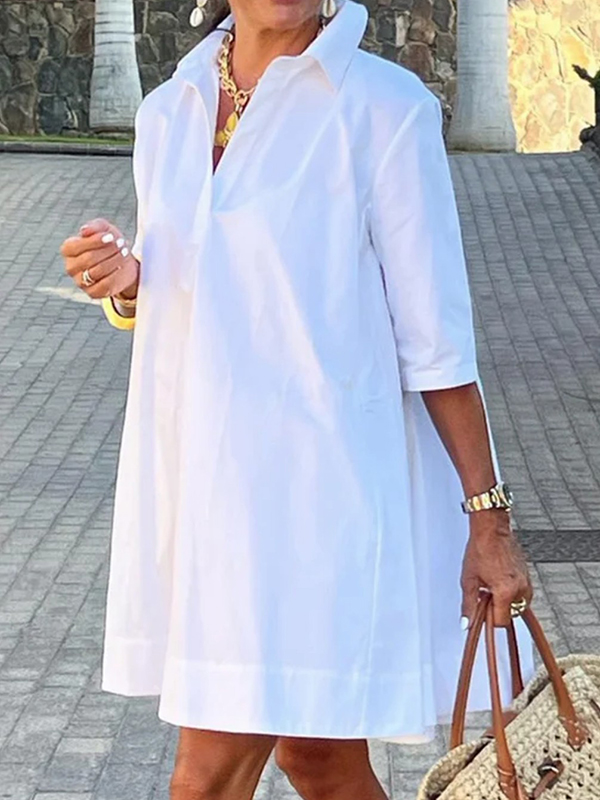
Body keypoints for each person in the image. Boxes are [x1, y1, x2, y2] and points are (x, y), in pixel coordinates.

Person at [60, 1, 533, 798]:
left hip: (323, 508)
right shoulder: (169, 110)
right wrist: (129, 285)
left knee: (205, 776)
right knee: (319, 761)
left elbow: (437, 341)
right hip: (204, 500)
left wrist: (489, 522)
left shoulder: (385, 108)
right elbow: (203, 281)